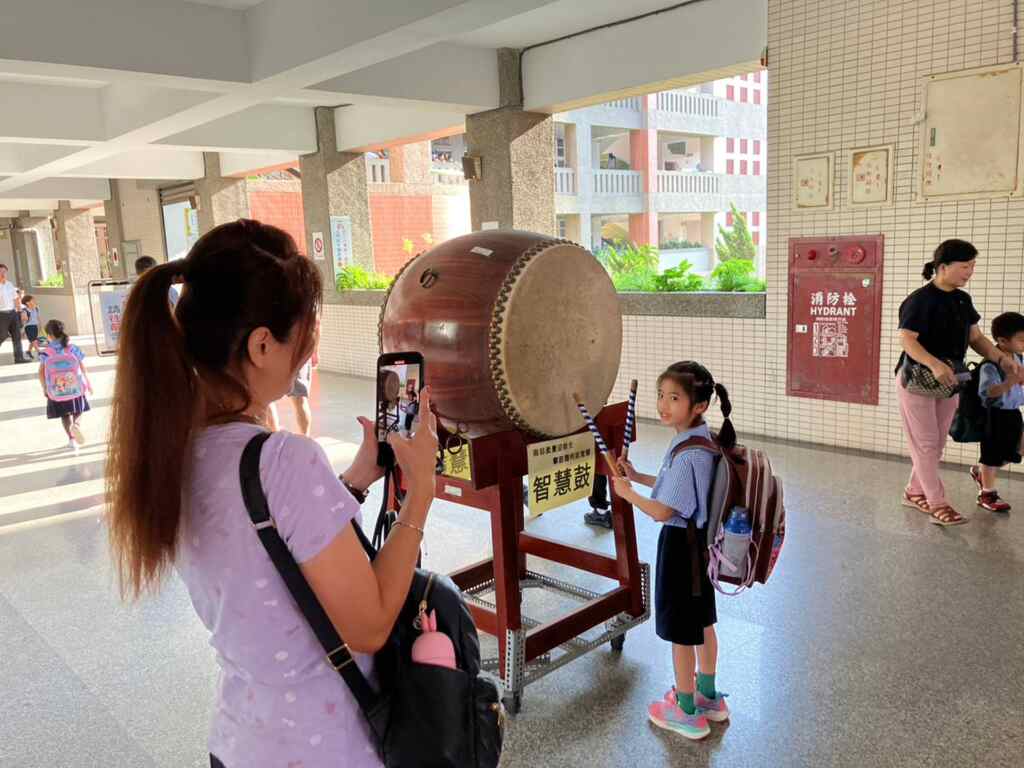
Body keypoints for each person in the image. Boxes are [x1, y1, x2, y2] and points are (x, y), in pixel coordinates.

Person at [105, 219, 439, 768]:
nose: (306, 354)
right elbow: (372, 624)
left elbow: (266, 545)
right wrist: (421, 489)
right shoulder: (283, 460)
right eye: (302, 339)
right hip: (328, 748)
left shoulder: (175, 451)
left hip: (240, 742)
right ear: (262, 344)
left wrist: (352, 482)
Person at [612, 361, 732, 741]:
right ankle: (709, 696)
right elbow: (675, 489)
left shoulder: (688, 452)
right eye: (661, 395)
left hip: (682, 549)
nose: (664, 405)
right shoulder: (700, 439)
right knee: (702, 621)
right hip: (702, 547)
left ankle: (685, 709)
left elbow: (665, 510)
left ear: (699, 405)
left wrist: (628, 493)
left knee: (682, 633)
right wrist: (640, 477)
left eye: (674, 398)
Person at [896, 239, 1020, 526]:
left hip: (950, 380)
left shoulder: (962, 300)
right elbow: (906, 340)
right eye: (965, 266)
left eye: (973, 266)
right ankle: (937, 502)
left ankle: (914, 491)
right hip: (917, 380)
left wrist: (1002, 359)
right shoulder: (920, 300)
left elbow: (976, 339)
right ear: (943, 267)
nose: (970, 272)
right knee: (926, 443)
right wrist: (934, 363)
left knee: (936, 444)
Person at [968, 311, 1024, 512]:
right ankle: (987, 493)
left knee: (1017, 451)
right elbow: (988, 393)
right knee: (991, 454)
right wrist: (1009, 382)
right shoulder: (991, 364)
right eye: (1022, 340)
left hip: (1014, 412)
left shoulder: (1018, 357)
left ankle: (981, 473)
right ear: (1002, 340)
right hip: (994, 415)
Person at [38, 319, 92, 452]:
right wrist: (87, 382)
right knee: (78, 409)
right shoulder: (72, 348)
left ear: (49, 335)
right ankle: (77, 425)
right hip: (75, 386)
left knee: (64, 415)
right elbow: (82, 366)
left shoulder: (46, 352)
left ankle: (72, 440)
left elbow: (41, 372)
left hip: (57, 389)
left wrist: (44, 387)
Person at [267, 357, 314, 437]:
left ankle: (274, 433)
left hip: (274, 354)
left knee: (267, 397)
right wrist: (315, 351)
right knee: (300, 400)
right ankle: (304, 437)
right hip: (299, 355)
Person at [0, 262, 29, 364]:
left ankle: (19, 358)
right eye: (1, 272)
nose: (3, 274)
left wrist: (21, 312)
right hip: (1, 314)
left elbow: (16, 299)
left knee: (17, 336)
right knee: (2, 335)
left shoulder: (9, 284)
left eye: (4, 272)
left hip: (13, 313)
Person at [21, 293, 41, 359]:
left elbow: (38, 318)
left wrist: (40, 326)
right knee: (34, 340)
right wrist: (23, 330)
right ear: (27, 302)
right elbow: (24, 320)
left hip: (35, 326)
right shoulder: (25, 310)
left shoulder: (37, 309)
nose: (34, 301)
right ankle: (40, 353)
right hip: (29, 327)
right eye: (32, 300)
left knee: (33, 341)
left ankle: (28, 352)